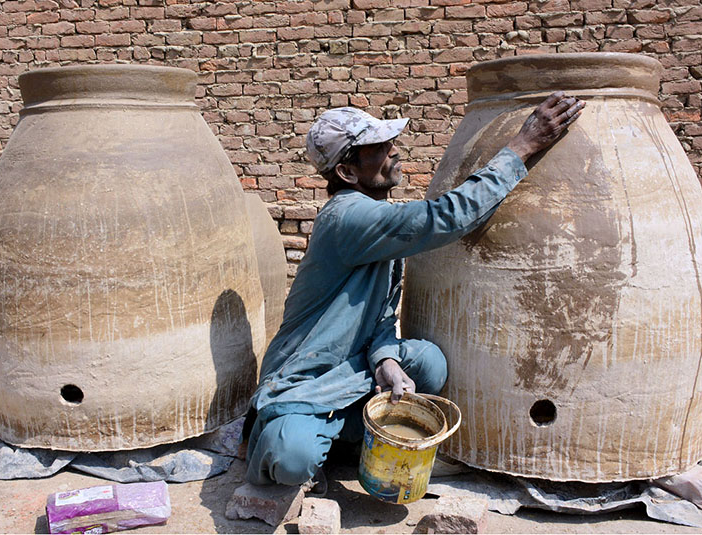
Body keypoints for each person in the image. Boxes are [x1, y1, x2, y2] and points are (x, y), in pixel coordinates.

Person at [244, 91, 585, 489]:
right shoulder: (349, 218)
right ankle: (277, 436)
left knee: (428, 362)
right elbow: (447, 216)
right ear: (348, 174)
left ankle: (340, 439)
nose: (393, 152)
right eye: (378, 148)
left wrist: (385, 358)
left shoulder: (376, 218)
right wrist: (523, 146)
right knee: (292, 459)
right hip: (307, 380)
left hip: (350, 372)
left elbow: (382, 315)